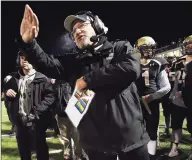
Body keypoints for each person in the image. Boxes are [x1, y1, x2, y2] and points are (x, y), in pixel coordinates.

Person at [16, 4, 150, 160]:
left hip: (131, 141)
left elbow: (130, 69)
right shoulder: (74, 62)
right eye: (73, 31)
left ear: (97, 26)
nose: (77, 31)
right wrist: (29, 43)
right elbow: (48, 64)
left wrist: (87, 80)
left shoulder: (119, 48)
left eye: (82, 25)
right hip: (96, 146)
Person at [4, 50, 56, 160]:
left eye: (28, 58)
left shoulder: (42, 79)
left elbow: (50, 97)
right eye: (22, 57)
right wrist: (7, 92)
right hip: (19, 122)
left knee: (41, 151)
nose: (25, 60)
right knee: (24, 152)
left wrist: (37, 112)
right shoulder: (13, 78)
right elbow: (7, 91)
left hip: (36, 122)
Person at [134, 36, 171, 160]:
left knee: (152, 131)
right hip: (134, 103)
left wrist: (151, 97)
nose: (149, 51)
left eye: (151, 48)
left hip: (151, 103)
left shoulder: (158, 63)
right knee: (134, 132)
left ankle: (151, 156)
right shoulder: (132, 63)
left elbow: (166, 86)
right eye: (145, 48)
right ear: (138, 49)